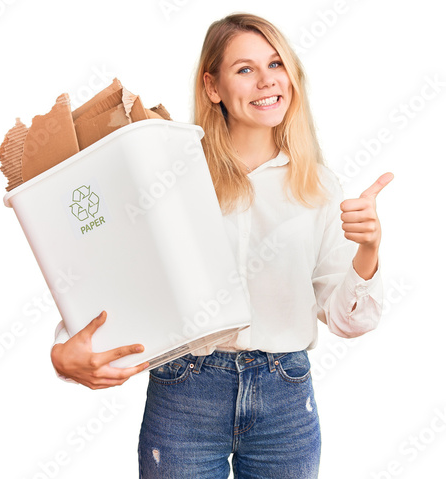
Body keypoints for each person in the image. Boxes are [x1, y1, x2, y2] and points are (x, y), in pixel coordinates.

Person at [51, 12, 392, 478]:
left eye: (276, 64)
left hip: (285, 397)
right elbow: (114, 271)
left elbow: (346, 320)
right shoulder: (170, 175)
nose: (267, 81)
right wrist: (64, 349)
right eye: (245, 69)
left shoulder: (319, 186)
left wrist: (368, 249)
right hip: (185, 391)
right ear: (213, 87)